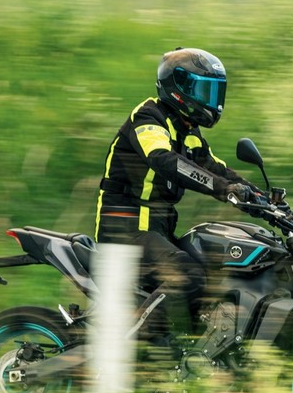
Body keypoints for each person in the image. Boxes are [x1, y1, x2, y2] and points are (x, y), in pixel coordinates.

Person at [94, 47, 257, 343]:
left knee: (215, 272)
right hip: (126, 227)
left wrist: (263, 199)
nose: (210, 99)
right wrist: (223, 191)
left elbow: (218, 170)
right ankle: (132, 343)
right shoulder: (148, 117)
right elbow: (163, 159)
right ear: (179, 87)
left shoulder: (189, 132)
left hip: (158, 229)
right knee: (187, 276)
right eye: (202, 89)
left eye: (213, 91)